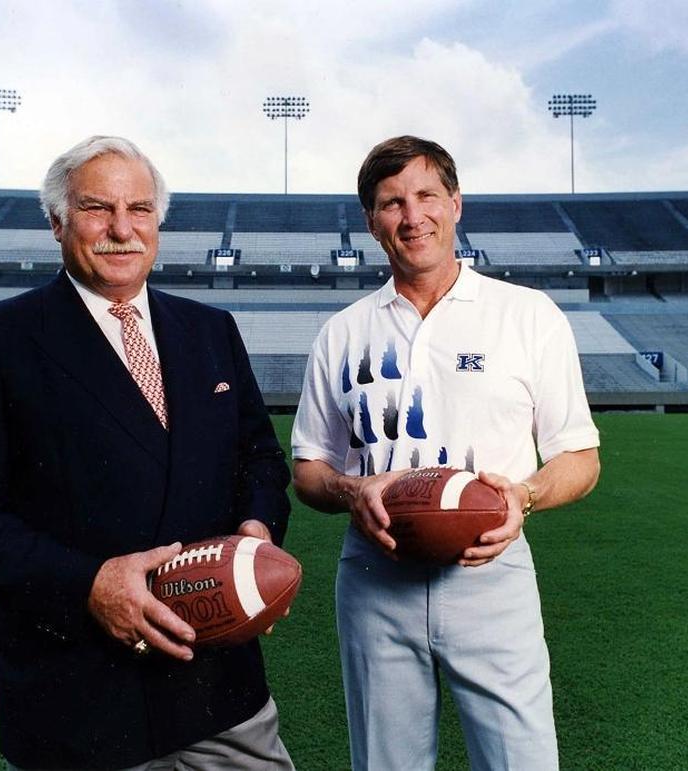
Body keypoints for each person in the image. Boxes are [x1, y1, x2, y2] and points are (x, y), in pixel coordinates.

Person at [0, 135, 295, 770]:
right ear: (58, 222)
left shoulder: (211, 329)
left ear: (159, 224)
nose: (122, 229)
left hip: (220, 685)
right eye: (98, 209)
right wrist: (88, 585)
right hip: (78, 702)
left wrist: (256, 530)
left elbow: (258, 457)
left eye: (139, 209)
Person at [291, 135, 601, 770]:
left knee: (522, 762)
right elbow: (308, 468)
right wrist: (354, 491)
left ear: (456, 203)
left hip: (491, 572)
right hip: (377, 579)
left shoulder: (527, 315)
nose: (412, 216)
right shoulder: (342, 332)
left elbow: (580, 456)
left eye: (427, 195)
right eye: (390, 203)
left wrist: (525, 494)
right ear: (371, 222)